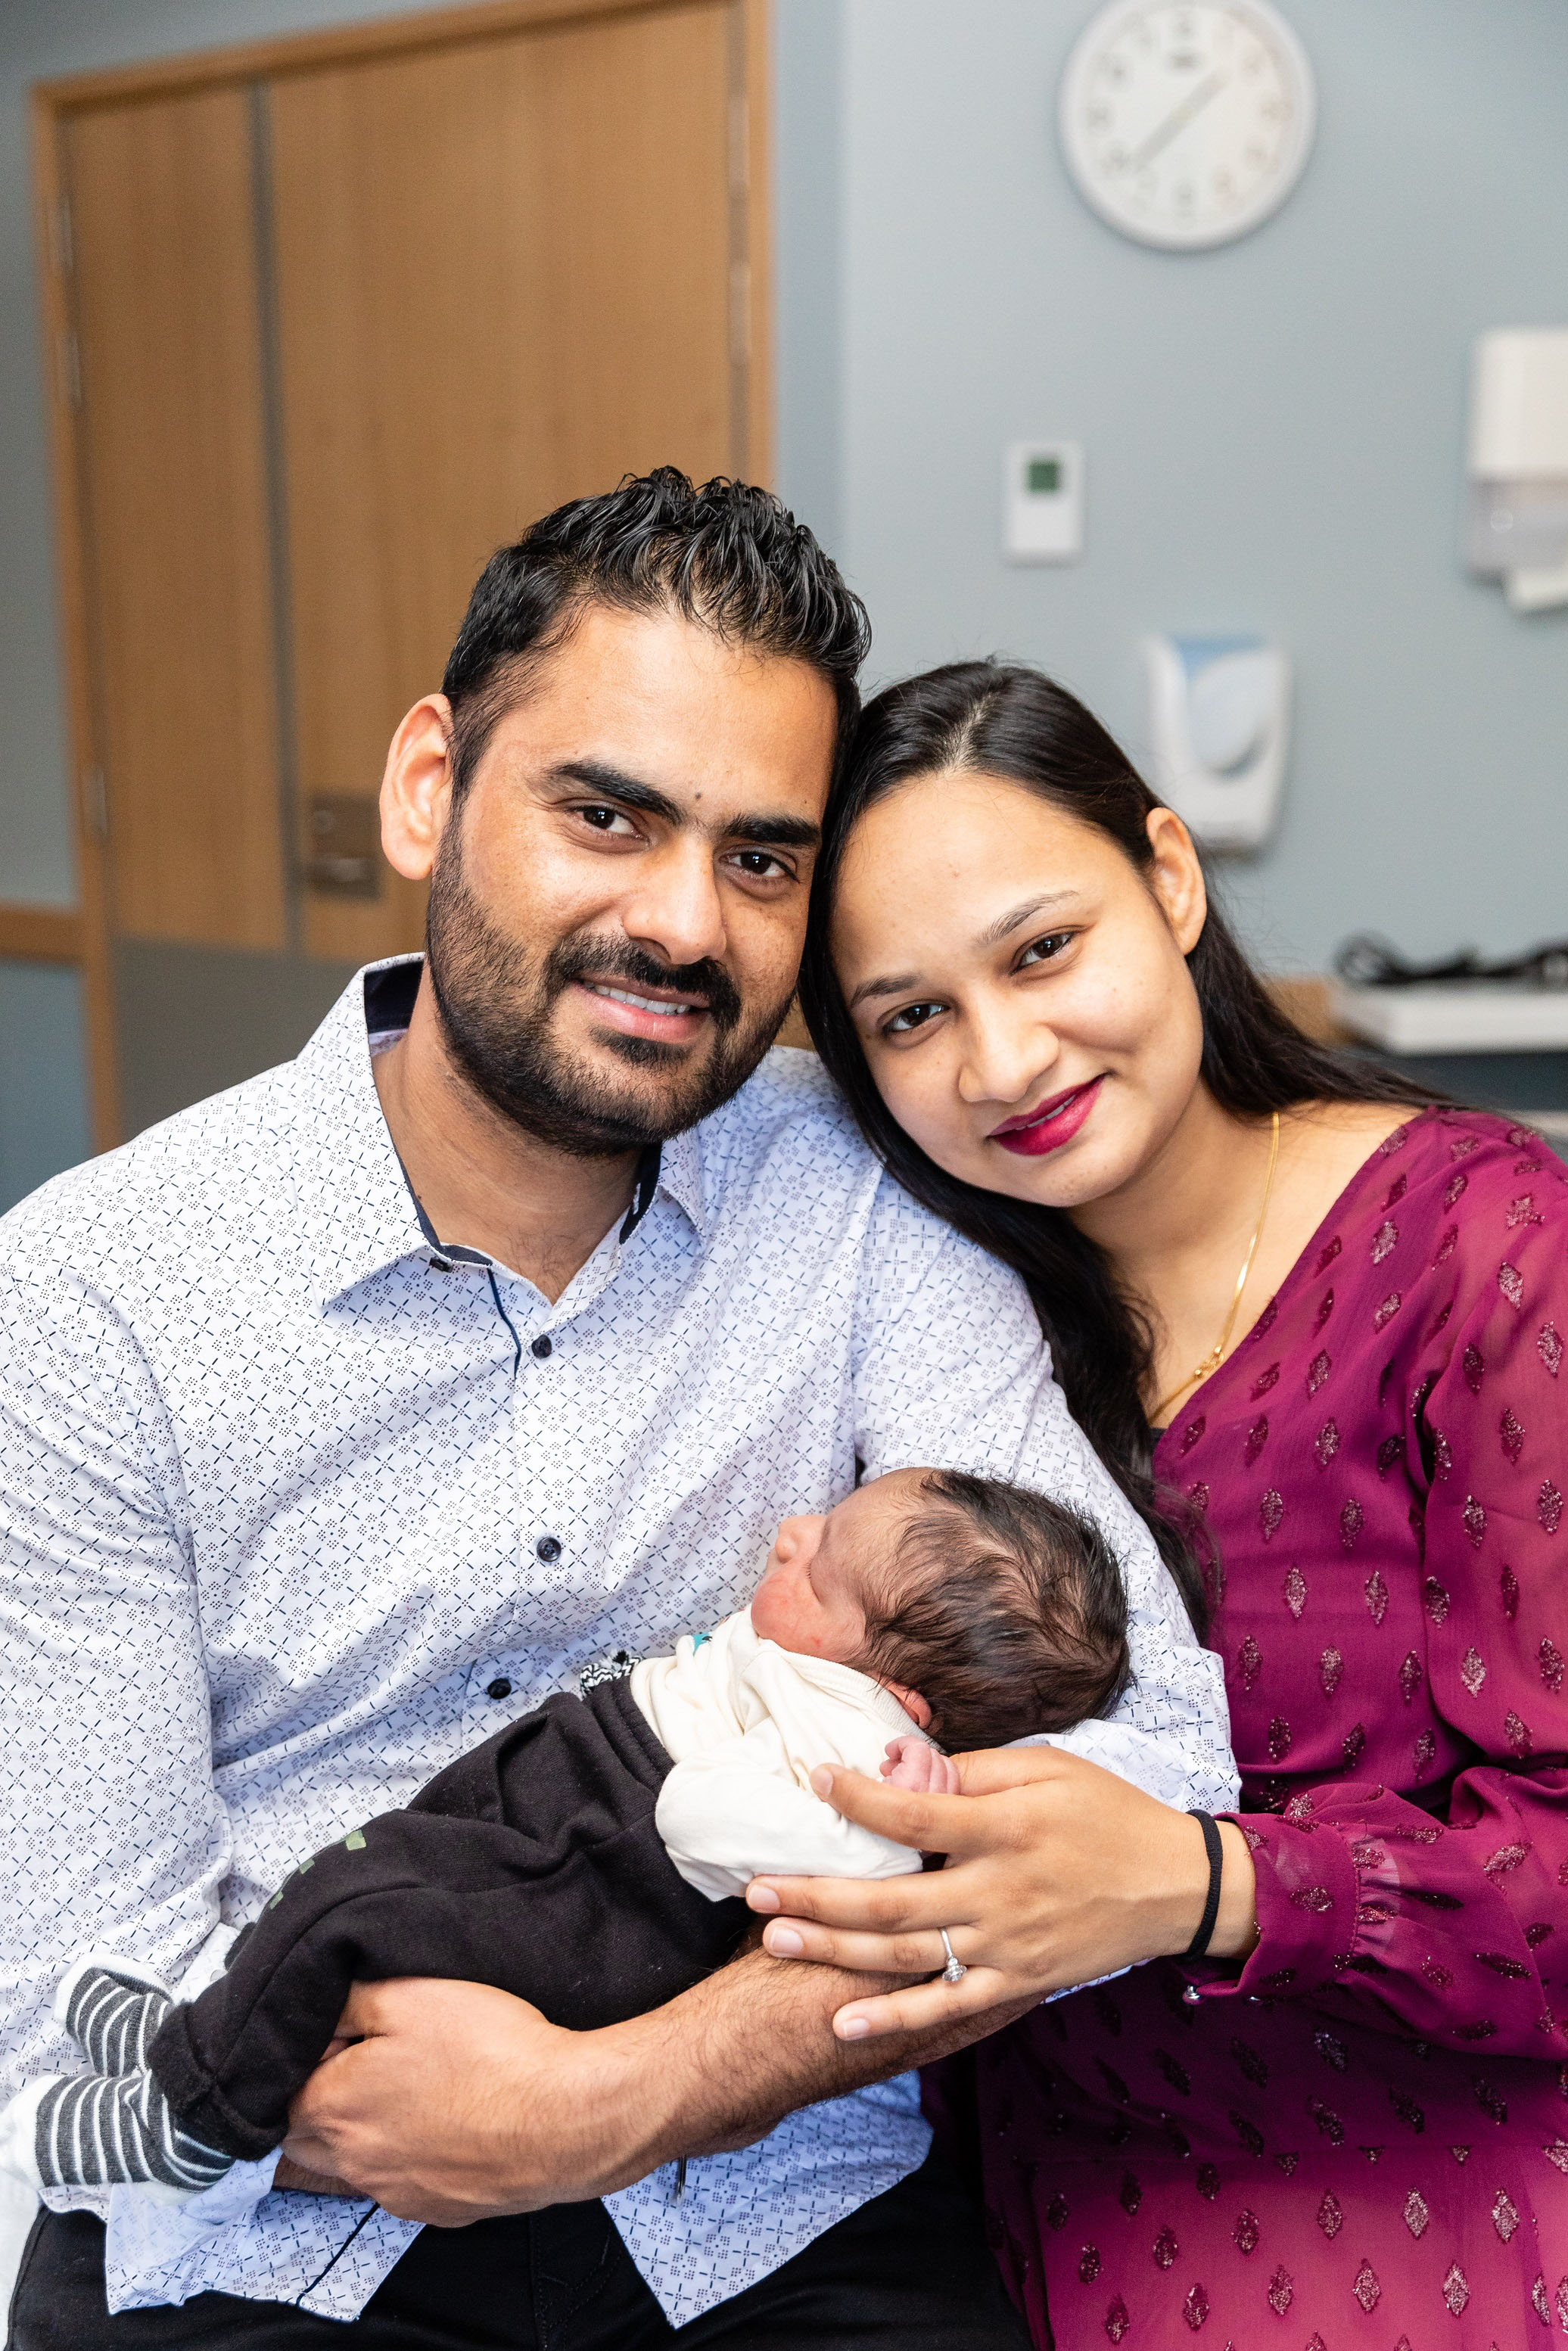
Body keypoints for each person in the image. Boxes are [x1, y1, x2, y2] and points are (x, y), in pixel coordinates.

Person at [0, 497, 1234, 2349]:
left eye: (760, 859)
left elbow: (1150, 1756)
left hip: (778, 2196)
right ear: (431, 786)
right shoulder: (95, 1296)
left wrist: (634, 2092)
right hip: (275, 2224)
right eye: (607, 815)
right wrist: (383, 2111)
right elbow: (80, 2001)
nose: (680, 921)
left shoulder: (861, 1183)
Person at [748, 658, 1568, 2349]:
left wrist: (1207, 1885)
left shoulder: (1485, 1253)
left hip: (1422, 2168)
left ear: (1171, 880)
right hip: (1026, 2181)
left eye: (1041, 950)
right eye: (909, 1016)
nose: (1001, 1058)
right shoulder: (934, 1324)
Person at [10, 1468, 1131, 2212]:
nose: (789, 1535)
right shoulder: (827, 1665)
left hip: (600, 1883)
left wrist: (886, 1816)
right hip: (564, 1814)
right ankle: (206, 2035)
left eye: (820, 1564)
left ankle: (200, 2125)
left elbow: (738, 1830)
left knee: (354, 1906)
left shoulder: (858, 1739)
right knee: (351, 1884)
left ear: (895, 1690)